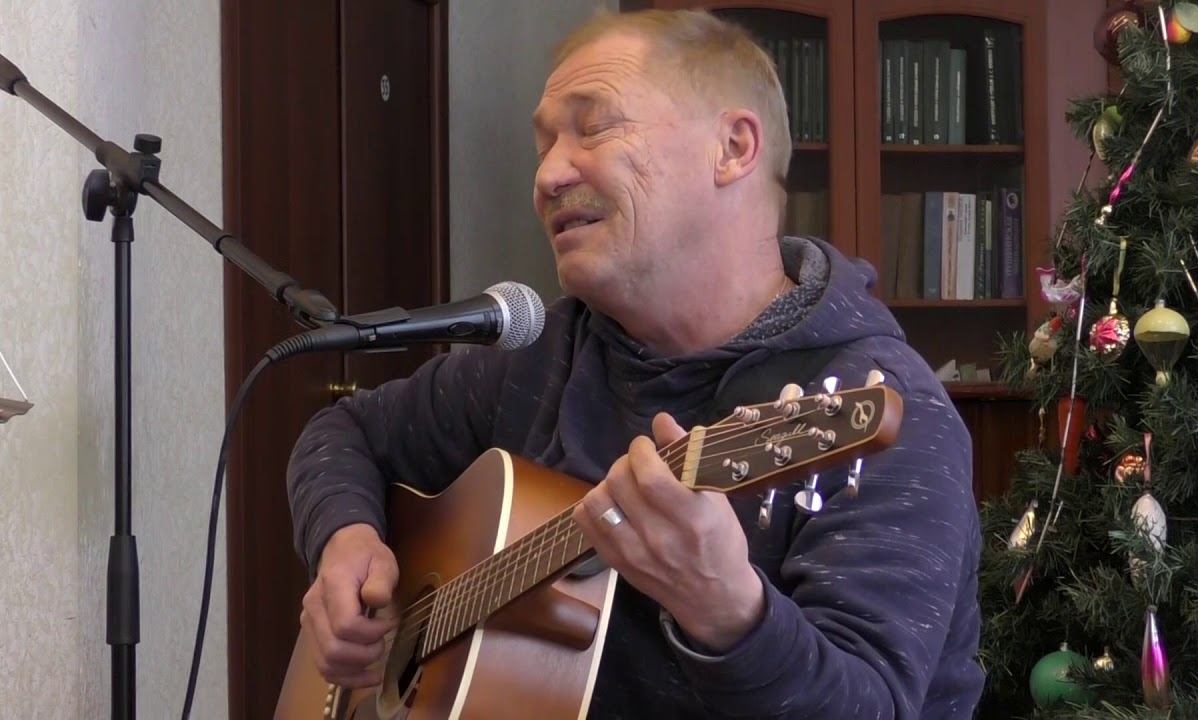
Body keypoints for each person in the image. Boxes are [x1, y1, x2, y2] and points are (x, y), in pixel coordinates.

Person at [288, 9, 983, 719]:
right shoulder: (543, 357)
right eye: (544, 144)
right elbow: (345, 433)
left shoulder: (884, 409)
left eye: (593, 127)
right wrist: (345, 540)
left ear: (733, 148)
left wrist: (729, 615)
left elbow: (869, 705)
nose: (548, 175)